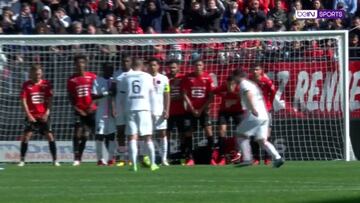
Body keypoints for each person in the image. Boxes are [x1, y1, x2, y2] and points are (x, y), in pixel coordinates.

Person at [233, 69, 284, 168]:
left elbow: (249, 94)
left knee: (240, 134)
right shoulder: (252, 84)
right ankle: (278, 158)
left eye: (234, 77)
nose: (234, 80)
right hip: (264, 115)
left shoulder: (244, 84)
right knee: (262, 140)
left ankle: (247, 159)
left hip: (254, 114)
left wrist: (252, 109)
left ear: (238, 76)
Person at [119, 58, 159, 172]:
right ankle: (152, 164)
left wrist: (121, 110)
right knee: (147, 137)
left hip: (130, 108)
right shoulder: (147, 77)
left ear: (132, 65)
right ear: (142, 66)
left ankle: (134, 165)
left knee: (132, 137)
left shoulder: (125, 76)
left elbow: (121, 96)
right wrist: (154, 112)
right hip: (144, 108)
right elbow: (152, 95)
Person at [18, 64, 60, 167]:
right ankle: (22, 160)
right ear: (31, 74)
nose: (38, 76)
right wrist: (28, 115)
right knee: (26, 136)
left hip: (43, 115)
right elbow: (23, 101)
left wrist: (47, 113)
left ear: (42, 74)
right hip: (32, 115)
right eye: (36, 74)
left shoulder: (46, 84)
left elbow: (50, 100)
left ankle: (55, 160)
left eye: (39, 74)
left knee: (50, 136)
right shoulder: (26, 85)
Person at [181, 59, 215, 165]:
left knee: (209, 131)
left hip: (203, 110)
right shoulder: (188, 78)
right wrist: (192, 108)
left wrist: (201, 109)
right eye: (196, 65)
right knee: (188, 132)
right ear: (193, 66)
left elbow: (211, 96)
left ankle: (211, 158)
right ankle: (190, 158)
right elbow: (184, 94)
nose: (198, 67)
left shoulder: (207, 78)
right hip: (191, 111)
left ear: (203, 66)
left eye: (200, 65)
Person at [67, 55, 97, 166]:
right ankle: (76, 158)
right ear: (75, 65)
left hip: (91, 110)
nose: (80, 65)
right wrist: (76, 108)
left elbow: (96, 94)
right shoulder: (72, 79)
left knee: (86, 135)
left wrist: (92, 105)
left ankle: (106, 157)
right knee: (77, 133)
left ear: (85, 64)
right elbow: (70, 96)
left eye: (82, 62)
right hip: (79, 111)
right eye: (78, 63)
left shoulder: (92, 77)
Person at [213, 76, 244, 165]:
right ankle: (222, 156)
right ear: (226, 83)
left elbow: (247, 98)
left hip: (238, 111)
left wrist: (233, 102)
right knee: (222, 130)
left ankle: (238, 153)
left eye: (233, 84)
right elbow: (212, 92)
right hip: (224, 111)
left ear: (236, 84)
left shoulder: (240, 89)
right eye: (229, 84)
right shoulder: (222, 87)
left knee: (240, 131)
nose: (231, 86)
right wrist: (208, 104)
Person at [250, 64, 276, 165]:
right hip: (254, 111)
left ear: (261, 71)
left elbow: (273, 92)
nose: (255, 71)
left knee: (266, 134)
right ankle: (255, 158)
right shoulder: (249, 81)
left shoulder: (266, 81)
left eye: (257, 69)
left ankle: (267, 158)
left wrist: (269, 104)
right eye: (253, 69)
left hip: (265, 110)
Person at [92, 62, 117, 166]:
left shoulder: (115, 81)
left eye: (111, 69)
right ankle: (100, 159)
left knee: (111, 135)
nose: (110, 71)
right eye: (107, 69)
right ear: (103, 70)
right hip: (101, 112)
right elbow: (93, 96)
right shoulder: (97, 81)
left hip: (113, 112)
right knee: (100, 135)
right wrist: (107, 93)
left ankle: (111, 158)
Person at [147, 57, 170, 166]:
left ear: (158, 66)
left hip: (160, 111)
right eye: (151, 65)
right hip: (147, 111)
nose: (153, 67)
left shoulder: (164, 78)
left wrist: (166, 109)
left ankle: (164, 159)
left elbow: (167, 95)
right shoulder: (144, 78)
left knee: (163, 133)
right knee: (148, 135)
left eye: (154, 65)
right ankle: (151, 158)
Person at [113, 54, 133, 166]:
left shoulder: (134, 74)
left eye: (127, 61)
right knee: (120, 131)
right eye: (124, 61)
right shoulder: (117, 74)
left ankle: (131, 156)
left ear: (131, 62)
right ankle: (121, 157)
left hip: (130, 104)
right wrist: (113, 107)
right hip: (119, 104)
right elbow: (113, 91)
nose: (125, 63)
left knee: (131, 131)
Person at [166, 60, 187, 163]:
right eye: (170, 68)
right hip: (168, 111)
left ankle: (183, 155)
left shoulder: (182, 78)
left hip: (180, 111)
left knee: (182, 134)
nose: (172, 70)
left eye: (174, 67)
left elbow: (183, 94)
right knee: (167, 133)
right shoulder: (165, 79)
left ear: (178, 68)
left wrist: (170, 98)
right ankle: (166, 156)